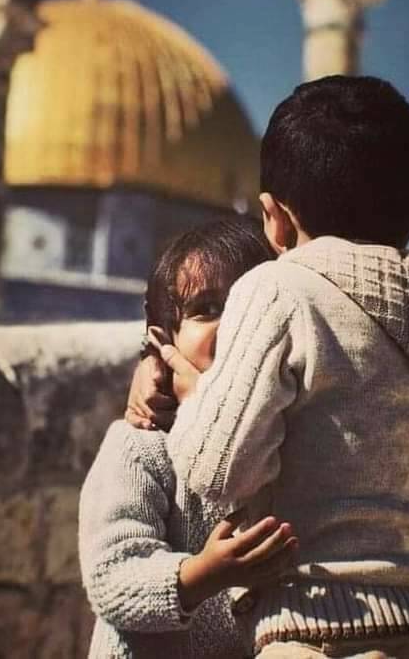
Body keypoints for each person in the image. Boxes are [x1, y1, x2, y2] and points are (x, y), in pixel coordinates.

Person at [130, 76, 409, 658]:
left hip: (318, 625)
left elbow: (215, 469)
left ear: (274, 218)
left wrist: (193, 391)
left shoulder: (278, 288)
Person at [79, 217, 300, 659]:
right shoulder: (141, 446)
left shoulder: (289, 440)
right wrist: (201, 575)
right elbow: (110, 575)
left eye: (249, 306)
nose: (232, 324)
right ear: (165, 339)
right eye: (207, 309)